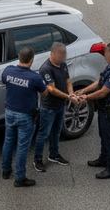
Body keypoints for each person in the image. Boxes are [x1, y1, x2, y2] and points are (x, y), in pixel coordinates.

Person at [75, 42, 110, 179]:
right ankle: (103, 159)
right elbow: (100, 81)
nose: (104, 54)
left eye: (106, 52)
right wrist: (85, 90)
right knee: (103, 136)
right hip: (105, 109)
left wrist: (86, 97)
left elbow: (103, 92)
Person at [1, 46, 48, 188]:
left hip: (9, 113)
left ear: (19, 57)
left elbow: (4, 82)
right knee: (22, 147)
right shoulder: (34, 78)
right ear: (32, 59)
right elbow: (45, 94)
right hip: (25, 116)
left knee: (8, 141)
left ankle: (6, 170)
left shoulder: (8, 70)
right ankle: (19, 178)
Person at [33, 42, 78, 172]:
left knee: (56, 131)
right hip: (49, 107)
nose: (63, 57)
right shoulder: (46, 68)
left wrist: (71, 94)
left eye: (64, 54)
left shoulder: (62, 64)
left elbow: (68, 81)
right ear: (52, 54)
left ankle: (54, 154)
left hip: (61, 106)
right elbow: (51, 89)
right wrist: (69, 97)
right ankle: (38, 159)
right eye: (60, 54)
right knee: (43, 133)